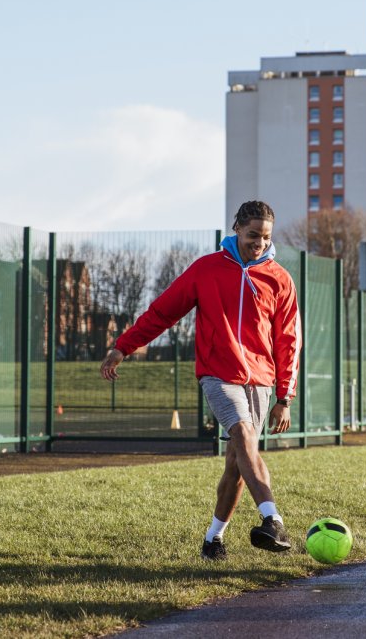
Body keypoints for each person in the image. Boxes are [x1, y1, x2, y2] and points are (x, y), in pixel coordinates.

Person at [100, 200, 301, 561]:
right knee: (242, 435)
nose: (258, 242)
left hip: (261, 380)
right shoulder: (206, 269)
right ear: (237, 227)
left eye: (265, 237)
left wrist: (285, 396)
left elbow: (288, 340)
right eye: (252, 234)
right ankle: (273, 519)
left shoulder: (280, 279)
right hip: (218, 373)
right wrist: (123, 347)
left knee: (237, 465)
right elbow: (162, 311)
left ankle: (213, 540)